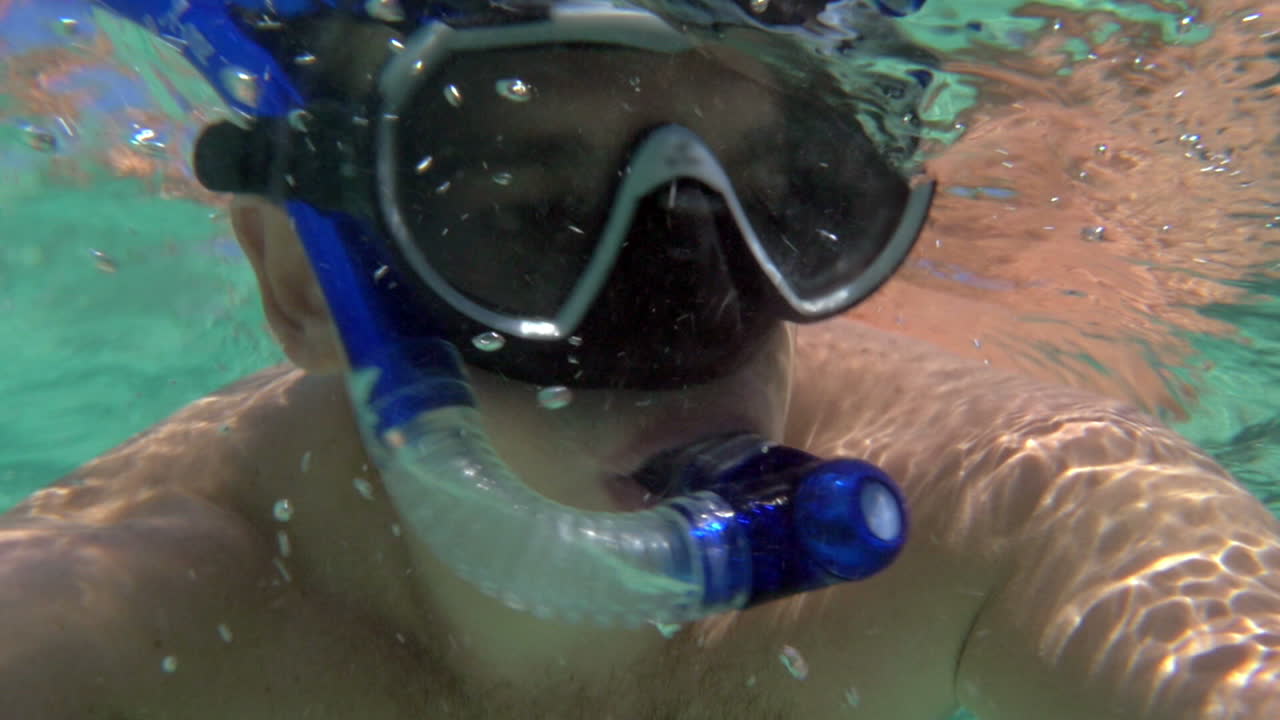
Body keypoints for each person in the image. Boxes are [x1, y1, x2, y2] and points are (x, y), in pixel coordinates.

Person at [2, 1, 1279, 719]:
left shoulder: (999, 508)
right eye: (529, 209)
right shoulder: (110, 632)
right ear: (303, 282)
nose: (690, 314)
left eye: (776, 194)